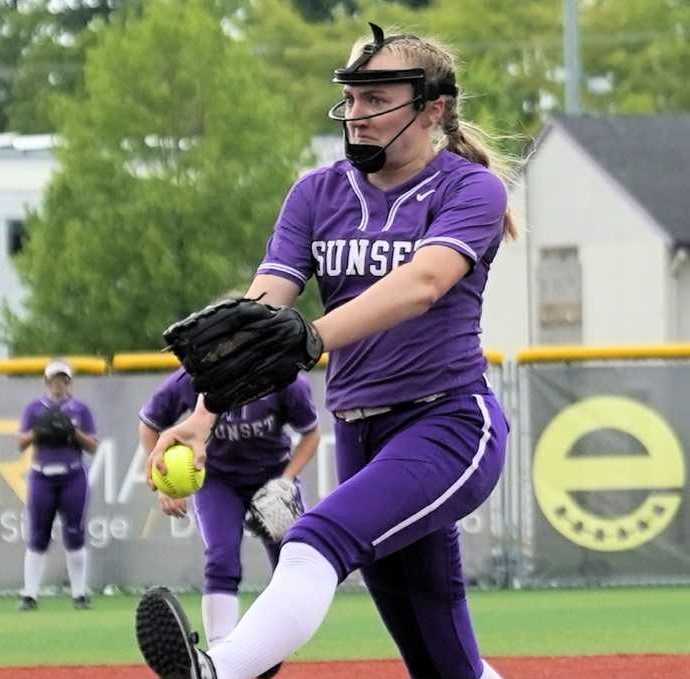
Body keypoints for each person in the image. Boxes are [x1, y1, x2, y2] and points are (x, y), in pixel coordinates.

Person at [136, 22, 515, 679]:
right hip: (360, 431)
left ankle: (217, 670)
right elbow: (259, 316)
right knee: (442, 663)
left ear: (434, 109)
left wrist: (313, 335)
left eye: (377, 99)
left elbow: (423, 284)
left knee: (313, 540)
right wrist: (204, 414)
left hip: (449, 423)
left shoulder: (470, 190)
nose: (357, 114)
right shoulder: (318, 192)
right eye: (352, 98)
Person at [138, 367, 320, 675]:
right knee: (221, 557)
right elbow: (150, 424)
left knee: (292, 564)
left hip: (272, 475)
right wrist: (163, 481)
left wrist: (287, 481)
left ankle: (268, 646)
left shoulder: (284, 376)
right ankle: (221, 659)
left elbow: (311, 434)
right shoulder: (191, 378)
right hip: (217, 478)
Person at [17, 359, 98, 611]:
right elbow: (21, 442)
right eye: (54, 379)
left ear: (69, 382)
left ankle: (79, 594)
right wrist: (39, 430)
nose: (58, 384)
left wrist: (72, 432)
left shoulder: (79, 409)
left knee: (74, 532)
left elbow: (93, 446)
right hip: (42, 474)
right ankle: (30, 595)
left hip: (72, 474)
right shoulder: (35, 408)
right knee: (38, 534)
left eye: (62, 379)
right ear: (46, 382)